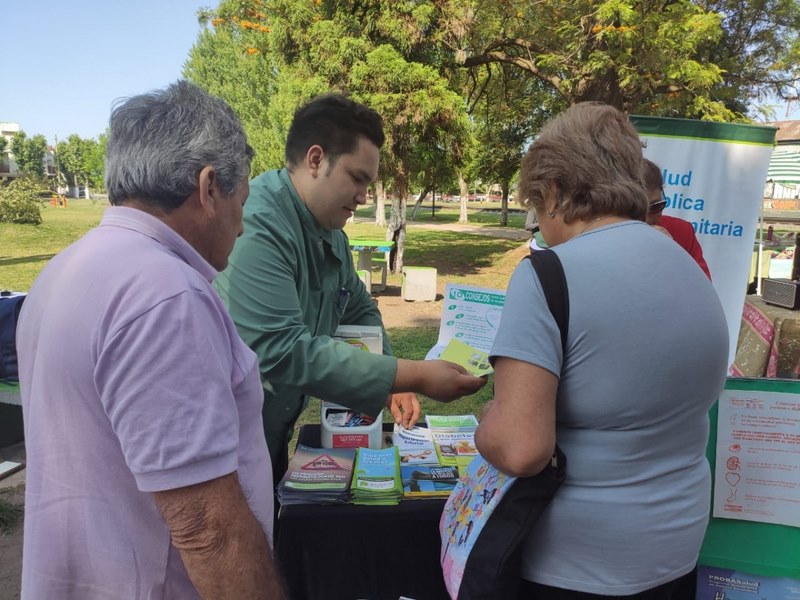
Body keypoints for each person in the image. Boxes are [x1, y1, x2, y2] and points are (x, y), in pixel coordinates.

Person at [16, 81, 284, 599]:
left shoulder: (63, 269)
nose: (243, 226)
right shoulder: (165, 296)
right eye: (241, 202)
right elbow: (208, 529)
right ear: (209, 189)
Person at [475, 102, 729, 599]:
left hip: (577, 564)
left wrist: (488, 419)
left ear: (552, 191)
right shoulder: (685, 265)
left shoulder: (547, 274)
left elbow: (521, 448)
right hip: (676, 547)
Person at [215, 93, 486, 479]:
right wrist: (412, 374)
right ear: (315, 160)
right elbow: (284, 350)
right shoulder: (260, 225)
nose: (362, 196)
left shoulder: (328, 230)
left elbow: (358, 308)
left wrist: (391, 377)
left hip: (268, 434)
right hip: (223, 446)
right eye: (357, 179)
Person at [643, 158, 711, 279]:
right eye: (636, 210)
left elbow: (702, 291)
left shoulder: (681, 231)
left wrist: (671, 254)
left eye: (656, 206)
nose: (646, 218)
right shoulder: (605, 233)